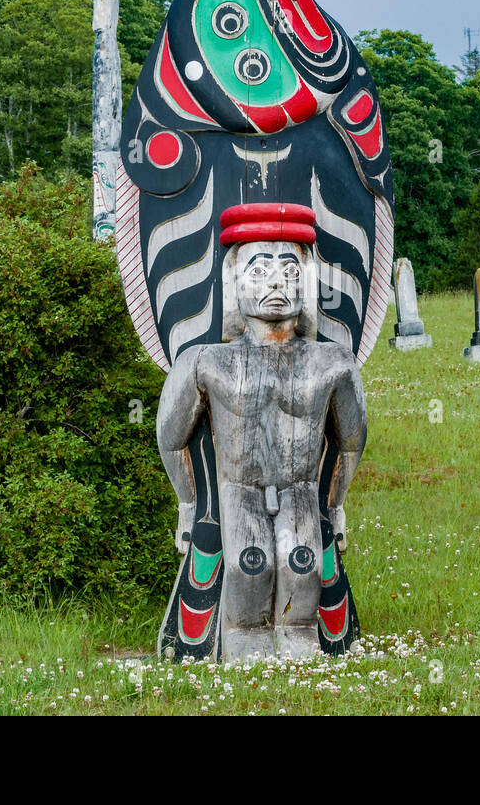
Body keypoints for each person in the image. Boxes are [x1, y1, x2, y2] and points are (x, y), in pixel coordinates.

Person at [155, 203, 366, 661]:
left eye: (289, 269)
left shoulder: (333, 362)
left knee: (300, 562)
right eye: (259, 269)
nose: (275, 282)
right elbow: (171, 439)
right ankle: (245, 638)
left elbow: (350, 441)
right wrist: (190, 506)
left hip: (302, 489)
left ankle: (298, 637)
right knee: (250, 563)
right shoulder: (204, 361)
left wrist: (335, 504)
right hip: (239, 491)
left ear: (307, 284)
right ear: (233, 283)